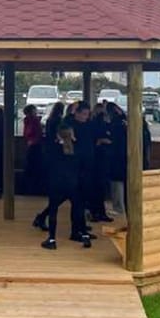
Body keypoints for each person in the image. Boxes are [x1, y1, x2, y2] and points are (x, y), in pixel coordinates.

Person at [41, 125, 92, 250]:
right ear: (72, 135)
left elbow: (46, 164)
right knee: (78, 210)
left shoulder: (53, 149)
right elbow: (84, 166)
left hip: (56, 183)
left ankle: (52, 239)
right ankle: (85, 235)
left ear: (58, 135)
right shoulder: (78, 149)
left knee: (53, 210)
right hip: (74, 183)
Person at [62, 101, 95, 240]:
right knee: (76, 201)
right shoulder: (71, 125)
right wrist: (71, 111)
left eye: (88, 114)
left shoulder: (87, 125)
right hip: (75, 167)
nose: (86, 117)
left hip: (86, 167)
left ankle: (82, 229)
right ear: (77, 113)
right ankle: (75, 232)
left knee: (82, 201)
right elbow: (64, 123)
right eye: (84, 114)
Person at [32, 101, 65, 231]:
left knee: (58, 194)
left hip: (50, 155)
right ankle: (43, 217)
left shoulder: (50, 120)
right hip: (58, 157)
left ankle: (42, 216)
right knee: (62, 194)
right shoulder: (59, 121)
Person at [90, 104, 114, 223]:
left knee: (101, 187)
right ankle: (96, 212)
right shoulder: (96, 124)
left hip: (103, 158)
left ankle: (100, 212)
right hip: (98, 158)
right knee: (97, 187)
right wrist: (100, 141)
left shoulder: (99, 123)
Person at [106, 101, 127, 216]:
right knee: (123, 183)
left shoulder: (114, 124)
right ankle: (122, 207)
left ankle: (118, 207)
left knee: (116, 183)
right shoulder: (125, 121)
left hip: (115, 156)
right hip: (124, 156)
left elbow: (112, 138)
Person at [22, 104, 46, 196]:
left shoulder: (27, 121)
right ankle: (36, 189)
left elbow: (26, 133)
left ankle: (29, 189)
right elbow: (39, 133)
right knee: (36, 168)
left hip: (31, 146)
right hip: (36, 146)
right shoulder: (35, 120)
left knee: (30, 167)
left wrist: (29, 140)